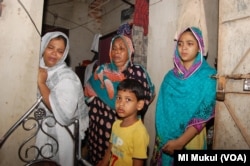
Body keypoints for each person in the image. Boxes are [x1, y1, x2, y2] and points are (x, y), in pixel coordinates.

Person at [84, 34, 155, 165]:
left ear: (129, 51)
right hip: (97, 129)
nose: (116, 52)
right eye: (114, 48)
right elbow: (88, 91)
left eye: (121, 48)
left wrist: (132, 109)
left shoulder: (137, 72)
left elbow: (146, 97)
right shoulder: (102, 69)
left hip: (124, 129)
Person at [150, 27, 217, 166]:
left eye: (190, 43)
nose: (183, 48)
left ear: (200, 47)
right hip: (166, 138)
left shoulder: (209, 76)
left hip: (193, 138)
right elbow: (162, 111)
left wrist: (180, 142)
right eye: (180, 44)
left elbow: (204, 112)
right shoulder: (170, 77)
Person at [36, 31, 89, 166]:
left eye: (60, 51)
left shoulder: (67, 78)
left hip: (62, 134)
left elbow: (65, 115)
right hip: (40, 131)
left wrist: (41, 84)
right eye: (50, 47)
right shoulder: (36, 68)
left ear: (65, 54)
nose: (54, 54)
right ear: (42, 48)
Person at [98, 78, 150, 166]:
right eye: (118, 98)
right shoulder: (116, 124)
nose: (121, 104)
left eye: (128, 99)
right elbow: (110, 149)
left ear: (139, 105)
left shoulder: (139, 133)